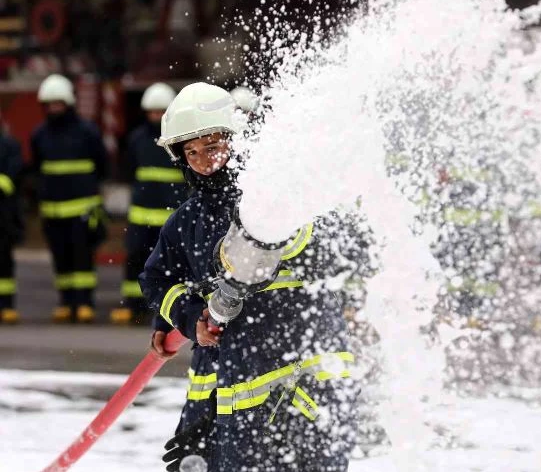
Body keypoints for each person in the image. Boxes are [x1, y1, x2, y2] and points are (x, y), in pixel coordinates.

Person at [141, 82, 357, 472]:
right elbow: (158, 278)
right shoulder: (186, 220)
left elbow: (328, 252)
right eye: (191, 152)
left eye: (211, 147)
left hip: (303, 380)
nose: (203, 162)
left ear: (235, 140)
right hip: (234, 389)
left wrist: (268, 246)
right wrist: (185, 320)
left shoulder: (280, 199)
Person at [30, 74, 107, 323]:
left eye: (58, 104)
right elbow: (37, 169)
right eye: (50, 105)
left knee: (82, 258)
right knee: (61, 258)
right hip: (53, 211)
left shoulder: (87, 132)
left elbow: (101, 166)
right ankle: (66, 301)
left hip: (82, 209)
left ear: (69, 104)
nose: (54, 109)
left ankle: (84, 302)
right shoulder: (39, 135)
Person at [111, 82, 186, 325]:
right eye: (152, 112)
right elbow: (128, 171)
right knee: (135, 261)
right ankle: (133, 305)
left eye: (161, 112)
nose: (156, 117)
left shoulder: (179, 142)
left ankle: (162, 310)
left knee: (168, 266)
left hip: (169, 219)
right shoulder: (137, 140)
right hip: (140, 217)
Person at [0, 111, 23, 323]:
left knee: (4, 261)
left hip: (3, 215)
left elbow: (12, 177)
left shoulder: (8, 146)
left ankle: (5, 304)